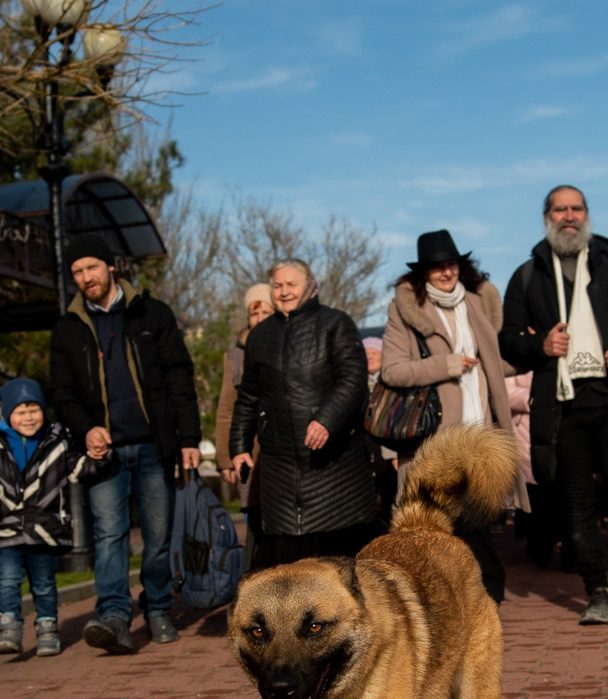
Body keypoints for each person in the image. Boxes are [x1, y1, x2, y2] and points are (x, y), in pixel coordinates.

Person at [499, 185, 608, 625]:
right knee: (576, 501)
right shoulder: (528, 274)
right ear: (547, 217)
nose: (568, 216)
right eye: (560, 209)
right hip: (562, 404)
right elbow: (508, 339)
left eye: (576, 208)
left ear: (587, 214)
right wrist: (541, 346)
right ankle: (595, 588)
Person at [47, 250, 202, 654]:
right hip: (104, 454)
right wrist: (87, 429)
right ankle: (115, 615)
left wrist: (189, 439)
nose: (85, 277)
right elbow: (61, 393)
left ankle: (157, 608)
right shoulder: (67, 328)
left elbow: (179, 376)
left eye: (91, 267)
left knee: (157, 536)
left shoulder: (152, 313)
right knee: (110, 534)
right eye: (77, 271)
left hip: (155, 446)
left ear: (111, 266)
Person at [378, 229, 523, 599]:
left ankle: (486, 597)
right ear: (423, 273)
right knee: (436, 525)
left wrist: (535, 351)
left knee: (477, 519)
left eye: (451, 264)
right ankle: (464, 598)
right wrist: (448, 364)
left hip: (482, 433)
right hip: (436, 439)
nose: (446, 272)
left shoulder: (475, 303)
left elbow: (494, 364)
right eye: (437, 267)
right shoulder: (405, 311)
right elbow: (392, 370)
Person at [229, 259, 377, 566]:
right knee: (289, 559)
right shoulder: (260, 335)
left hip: (334, 465)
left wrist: (327, 419)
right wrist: (239, 447)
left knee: (339, 559)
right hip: (280, 466)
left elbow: (353, 379)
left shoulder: (336, 323)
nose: (283, 292)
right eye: (277, 286)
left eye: (291, 284)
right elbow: (249, 395)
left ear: (310, 284)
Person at [0, 378, 77, 656]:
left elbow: (78, 467)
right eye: (21, 412)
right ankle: (9, 628)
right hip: (8, 526)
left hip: (45, 528)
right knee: (7, 579)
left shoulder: (57, 440)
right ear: (8, 414)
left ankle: (47, 630)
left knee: (43, 583)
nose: (29, 418)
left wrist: (98, 456)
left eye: (34, 410)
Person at [213, 281, 274, 520]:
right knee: (255, 518)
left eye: (266, 312)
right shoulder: (235, 357)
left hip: (282, 450)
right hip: (250, 449)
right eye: (254, 312)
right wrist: (225, 460)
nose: (260, 318)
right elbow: (226, 410)